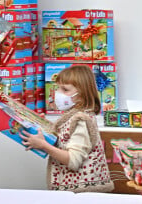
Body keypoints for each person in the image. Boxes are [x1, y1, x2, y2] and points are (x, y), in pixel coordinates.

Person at [20, 65, 114, 193]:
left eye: (65, 89)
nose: (58, 93)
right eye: (58, 88)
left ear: (82, 94)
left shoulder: (81, 120)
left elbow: (73, 161)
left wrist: (43, 145)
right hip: (73, 192)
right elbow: (64, 139)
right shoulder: (73, 115)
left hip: (82, 194)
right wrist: (43, 125)